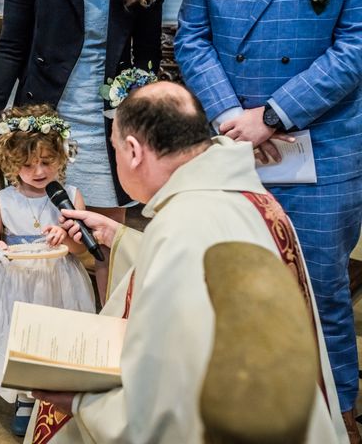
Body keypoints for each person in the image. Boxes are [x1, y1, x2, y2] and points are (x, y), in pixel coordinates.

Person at [23, 82, 347, 443]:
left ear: (132, 151)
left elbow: (173, 408)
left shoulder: (183, 227)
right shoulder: (238, 194)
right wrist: (119, 238)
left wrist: (84, 402)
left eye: (114, 149)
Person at [173, 0, 362, 439]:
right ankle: (240, 412)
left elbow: (354, 48)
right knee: (227, 281)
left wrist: (274, 115)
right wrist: (234, 118)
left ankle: (337, 413)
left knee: (321, 289)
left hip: (323, 143)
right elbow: (192, 38)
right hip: (230, 143)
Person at [0, 0, 163, 304]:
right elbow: (13, 47)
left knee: (105, 249)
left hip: (106, 129)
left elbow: (146, 60)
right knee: (38, 239)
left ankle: (107, 340)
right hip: (43, 127)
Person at [0, 104, 95, 436]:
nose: (39, 171)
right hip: (19, 285)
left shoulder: (70, 196)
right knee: (22, 339)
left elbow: (80, 246)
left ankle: (62, 391)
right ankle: (28, 397)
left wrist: (66, 236)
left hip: (60, 281)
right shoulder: (3, 200)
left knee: (59, 337)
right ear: (12, 164)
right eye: (28, 165)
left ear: (61, 156)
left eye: (46, 162)